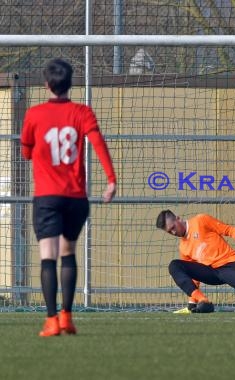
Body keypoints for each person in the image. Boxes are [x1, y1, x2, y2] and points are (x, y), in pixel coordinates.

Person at [20, 58, 117, 336]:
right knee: (69, 252)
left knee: (48, 256)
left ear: (47, 84)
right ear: (70, 83)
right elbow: (98, 144)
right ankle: (67, 316)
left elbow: (25, 152)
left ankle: (51, 320)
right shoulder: (82, 112)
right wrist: (111, 180)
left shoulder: (34, 114)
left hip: (47, 197)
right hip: (76, 197)